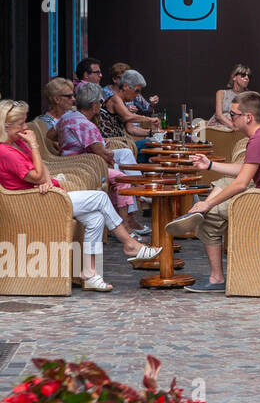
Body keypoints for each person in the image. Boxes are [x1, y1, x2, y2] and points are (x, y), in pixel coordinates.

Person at [0, 99, 159, 292]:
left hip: (48, 195)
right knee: (100, 198)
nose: (25, 128)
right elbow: (38, 174)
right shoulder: (6, 151)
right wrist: (35, 148)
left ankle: (90, 274)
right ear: (6, 126)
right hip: (36, 203)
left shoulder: (18, 144)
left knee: (96, 217)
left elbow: (44, 171)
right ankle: (130, 244)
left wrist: (44, 178)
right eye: (21, 124)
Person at [165, 92, 260, 293]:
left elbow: (241, 184)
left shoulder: (258, 140)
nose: (230, 117)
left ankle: (216, 277)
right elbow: (244, 170)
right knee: (224, 181)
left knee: (209, 219)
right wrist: (210, 165)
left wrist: (209, 204)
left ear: (248, 117)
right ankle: (198, 212)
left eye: (233, 114)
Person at [58, 82, 148, 237]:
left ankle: (130, 208)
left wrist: (67, 143)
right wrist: (106, 151)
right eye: (100, 102)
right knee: (120, 178)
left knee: (116, 168)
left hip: (69, 163)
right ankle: (124, 225)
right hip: (85, 167)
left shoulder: (67, 117)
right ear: (94, 105)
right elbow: (104, 155)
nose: (101, 105)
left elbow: (51, 136)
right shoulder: (87, 125)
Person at [98, 69, 160, 144]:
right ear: (125, 87)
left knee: (155, 142)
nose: (137, 95)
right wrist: (150, 119)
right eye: (136, 91)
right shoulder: (115, 99)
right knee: (151, 144)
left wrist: (152, 133)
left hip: (122, 143)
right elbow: (128, 117)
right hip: (111, 145)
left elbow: (131, 129)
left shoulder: (123, 103)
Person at [37, 77, 76, 148]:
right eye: (69, 96)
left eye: (73, 95)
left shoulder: (74, 114)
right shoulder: (43, 123)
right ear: (57, 99)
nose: (73, 99)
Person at [210, 64, 252, 129]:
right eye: (243, 75)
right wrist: (234, 127)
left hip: (238, 131)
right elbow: (218, 115)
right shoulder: (221, 93)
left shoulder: (249, 97)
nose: (247, 78)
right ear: (234, 77)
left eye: (248, 76)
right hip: (218, 129)